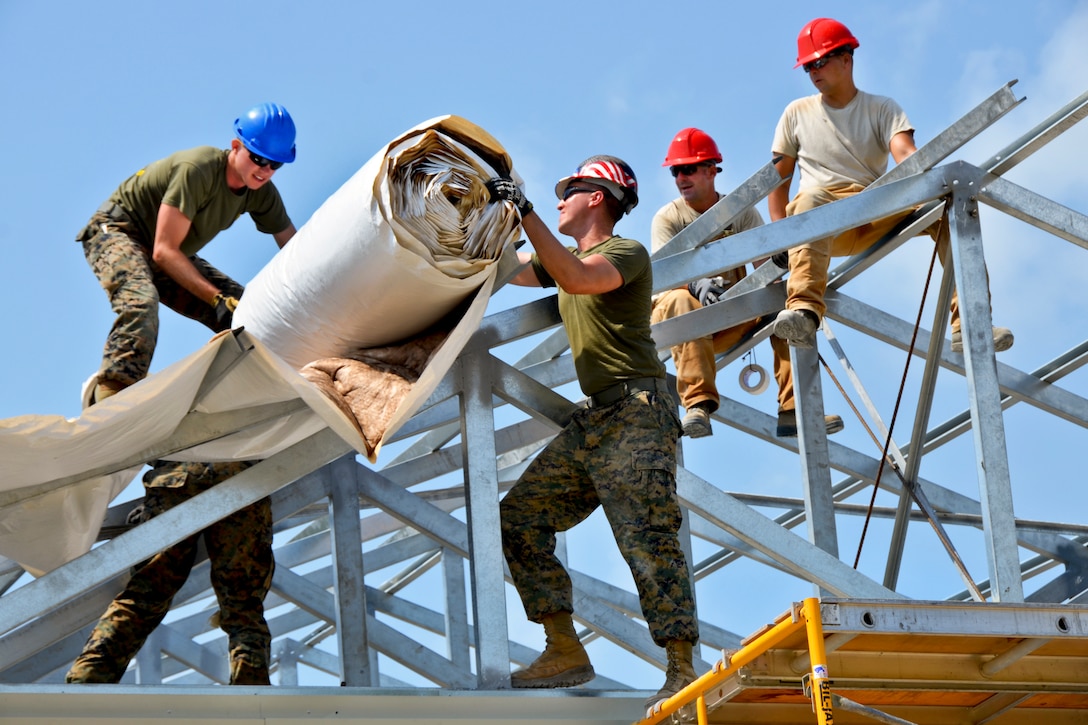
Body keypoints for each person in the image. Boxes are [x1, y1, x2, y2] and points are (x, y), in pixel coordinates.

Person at [487, 157, 699, 710]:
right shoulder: (565, 257)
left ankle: (681, 667)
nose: (560, 199)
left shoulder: (623, 253)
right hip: (597, 419)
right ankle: (563, 646)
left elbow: (579, 280)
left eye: (570, 190)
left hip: (637, 412)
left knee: (646, 536)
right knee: (519, 517)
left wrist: (525, 210)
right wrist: (483, 216)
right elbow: (511, 269)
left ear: (598, 198)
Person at [768, 18, 1013, 355]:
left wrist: (941, 185)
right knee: (808, 200)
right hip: (823, 219)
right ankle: (804, 312)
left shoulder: (881, 109)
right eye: (808, 66)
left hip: (874, 210)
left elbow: (907, 158)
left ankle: (971, 323)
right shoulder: (796, 113)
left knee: (945, 209)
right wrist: (779, 233)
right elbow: (778, 183)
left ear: (846, 58)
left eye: (820, 61)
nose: (814, 71)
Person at [78, 102, 299, 406]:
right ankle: (111, 395)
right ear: (236, 147)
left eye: (275, 164)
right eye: (258, 158)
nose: (265, 170)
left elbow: (294, 248)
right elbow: (164, 252)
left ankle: (237, 407)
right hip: (120, 232)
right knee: (141, 303)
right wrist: (216, 299)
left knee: (251, 316)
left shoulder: (261, 193)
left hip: (168, 250)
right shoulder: (198, 169)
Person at [650, 128, 843, 439]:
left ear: (711, 170)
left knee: (783, 304)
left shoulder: (738, 213)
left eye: (688, 169)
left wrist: (779, 259)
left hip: (727, 319)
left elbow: (765, 268)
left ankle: (796, 409)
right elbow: (663, 277)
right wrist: (695, 284)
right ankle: (697, 406)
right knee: (680, 300)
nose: (680, 178)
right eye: (676, 171)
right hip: (680, 328)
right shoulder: (668, 217)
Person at [66, 460, 275, 685]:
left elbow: (150, 438)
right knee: (243, 604)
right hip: (242, 481)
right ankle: (250, 683)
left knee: (144, 596)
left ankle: (90, 674)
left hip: (175, 479)